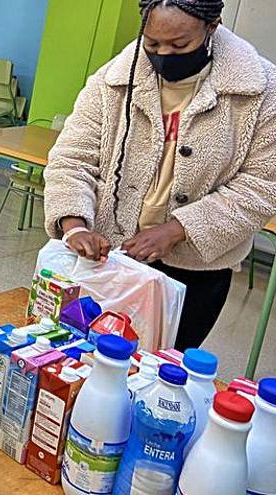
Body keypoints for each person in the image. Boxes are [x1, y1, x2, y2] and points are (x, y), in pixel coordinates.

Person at [44, 0, 276, 351]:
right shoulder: (114, 80)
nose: (164, 54)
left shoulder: (260, 91)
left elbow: (262, 187)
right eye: (152, 44)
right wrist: (74, 224)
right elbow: (71, 158)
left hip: (196, 272)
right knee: (83, 359)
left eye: (179, 45)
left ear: (212, 26)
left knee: (161, 373)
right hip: (109, 257)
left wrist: (178, 229)